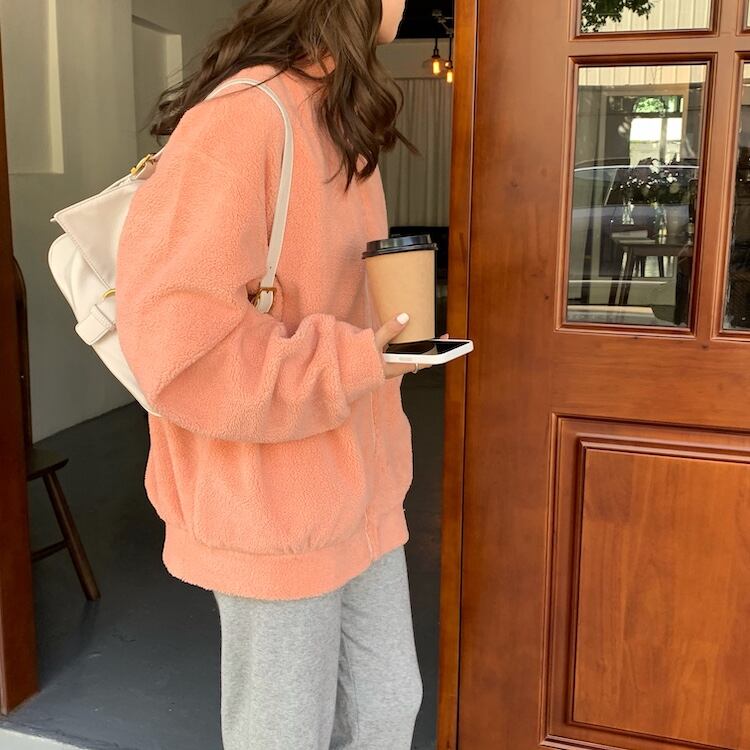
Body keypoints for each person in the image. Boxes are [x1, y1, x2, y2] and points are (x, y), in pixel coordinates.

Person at [116, 1, 448, 748]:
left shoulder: (335, 116)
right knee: (285, 733)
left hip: (359, 491)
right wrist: (355, 360)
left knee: (385, 708)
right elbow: (182, 350)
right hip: (273, 503)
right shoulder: (241, 118)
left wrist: (385, 348)